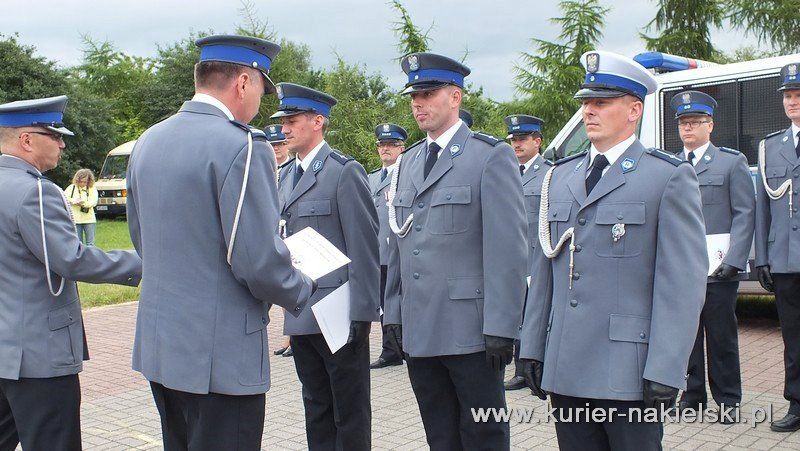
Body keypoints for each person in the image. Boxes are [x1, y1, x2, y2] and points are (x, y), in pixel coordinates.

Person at [126, 35, 315, 450]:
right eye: (263, 90)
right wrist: (303, 288)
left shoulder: (149, 140)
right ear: (243, 83)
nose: (261, 103)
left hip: (163, 349)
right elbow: (258, 261)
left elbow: (142, 239)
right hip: (220, 356)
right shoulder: (243, 146)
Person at [519, 51, 707, 450]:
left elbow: (681, 286)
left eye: (601, 102)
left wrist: (666, 368)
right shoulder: (560, 176)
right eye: (586, 102)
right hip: (566, 363)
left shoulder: (666, 178)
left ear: (634, 109)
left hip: (629, 371)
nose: (589, 111)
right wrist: (532, 346)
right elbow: (544, 268)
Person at [383, 52, 528, 450]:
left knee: (484, 433)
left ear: (455, 97)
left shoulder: (489, 155)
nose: (418, 103)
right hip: (421, 329)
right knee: (439, 434)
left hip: (472, 332)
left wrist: (503, 327)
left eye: (428, 94)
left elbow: (508, 249)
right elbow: (400, 244)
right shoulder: (409, 161)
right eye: (414, 96)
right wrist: (393, 312)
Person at [0, 95, 142, 451]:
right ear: (27, 140)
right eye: (55, 135)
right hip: (37, 355)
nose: (62, 144)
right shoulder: (35, 192)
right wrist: (146, 264)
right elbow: (72, 260)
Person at [274, 82, 379, 450]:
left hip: (339, 315)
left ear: (318, 120)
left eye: (292, 120)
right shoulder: (285, 176)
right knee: (315, 405)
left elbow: (364, 246)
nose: (284, 128)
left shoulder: (343, 172)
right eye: (283, 121)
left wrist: (363, 312)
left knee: (348, 410)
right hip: (302, 311)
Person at [670, 90, 754, 423]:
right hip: (682, 267)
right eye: (683, 123)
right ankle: (692, 396)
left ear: (710, 125)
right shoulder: (671, 164)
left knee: (721, 336)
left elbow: (745, 212)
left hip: (719, 268)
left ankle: (729, 400)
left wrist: (735, 259)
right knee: (686, 336)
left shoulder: (730, 162)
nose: (688, 128)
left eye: (695, 122)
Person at [755, 62, 800, 432]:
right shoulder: (771, 146)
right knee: (793, 338)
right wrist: (763, 258)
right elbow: (762, 208)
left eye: (798, 95)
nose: (792, 101)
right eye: (787, 96)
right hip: (785, 259)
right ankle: (797, 403)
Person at [501, 114, 552, 391]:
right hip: (512, 261)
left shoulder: (548, 173)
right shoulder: (506, 170)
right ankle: (521, 365)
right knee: (517, 314)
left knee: (534, 315)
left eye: (522, 139)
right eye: (514, 140)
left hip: (536, 258)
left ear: (537, 141)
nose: (517, 145)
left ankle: (529, 367)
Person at [368, 123, 408, 369]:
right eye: (382, 145)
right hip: (376, 251)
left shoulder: (404, 175)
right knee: (382, 301)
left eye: (391, 145)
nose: (385, 149)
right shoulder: (372, 177)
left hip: (396, 249)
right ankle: (390, 348)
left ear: (401, 148)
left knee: (396, 299)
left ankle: (397, 346)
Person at [265, 123, 296, 358]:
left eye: (280, 144)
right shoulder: (264, 170)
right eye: (272, 144)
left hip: (290, 235)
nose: (276, 149)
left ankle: (292, 337)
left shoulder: (293, 170)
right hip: (271, 235)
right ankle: (288, 336)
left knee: (290, 289)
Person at [65, 168, 99, 246]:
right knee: (78, 243)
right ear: (77, 180)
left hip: (89, 219)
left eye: (85, 182)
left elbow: (93, 202)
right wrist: (74, 201)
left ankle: (91, 258)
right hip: (76, 220)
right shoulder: (72, 187)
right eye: (81, 182)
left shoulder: (92, 188)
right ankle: (80, 258)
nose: (83, 184)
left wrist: (83, 204)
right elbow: (65, 198)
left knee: (90, 243)